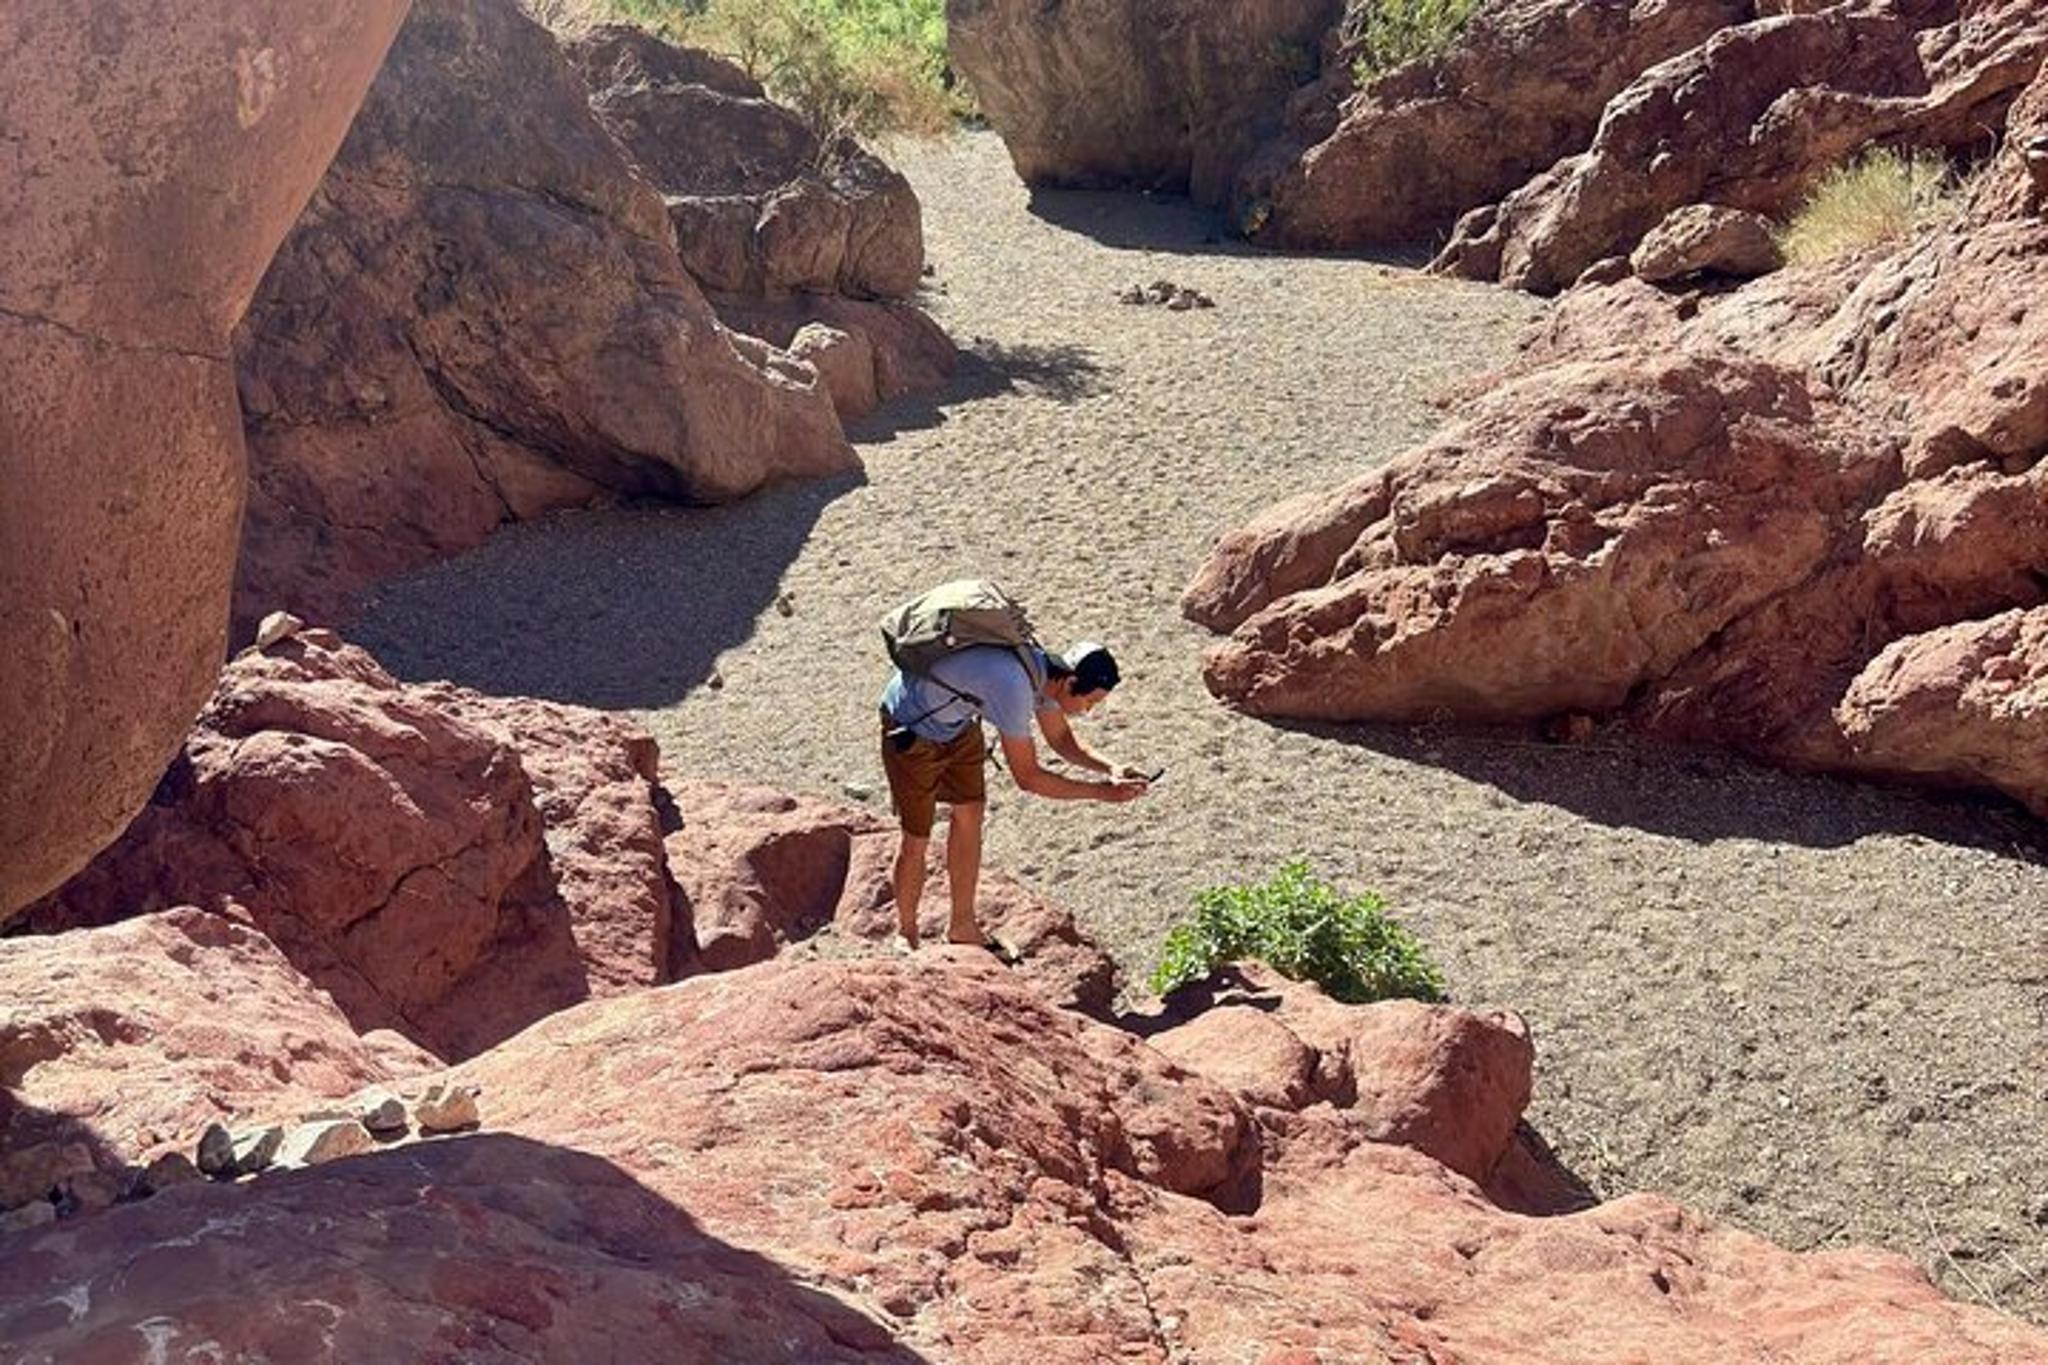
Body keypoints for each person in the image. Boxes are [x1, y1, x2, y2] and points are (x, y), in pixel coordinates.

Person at [878, 639, 1148, 951]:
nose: (1088, 710)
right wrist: (1102, 793)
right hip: (910, 723)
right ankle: (907, 933)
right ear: (1071, 682)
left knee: (970, 815)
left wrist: (1111, 768)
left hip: (958, 725)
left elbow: (1060, 739)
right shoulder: (1015, 688)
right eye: (1091, 701)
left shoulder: (1046, 675)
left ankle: (962, 926)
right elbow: (1028, 777)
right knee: (917, 836)